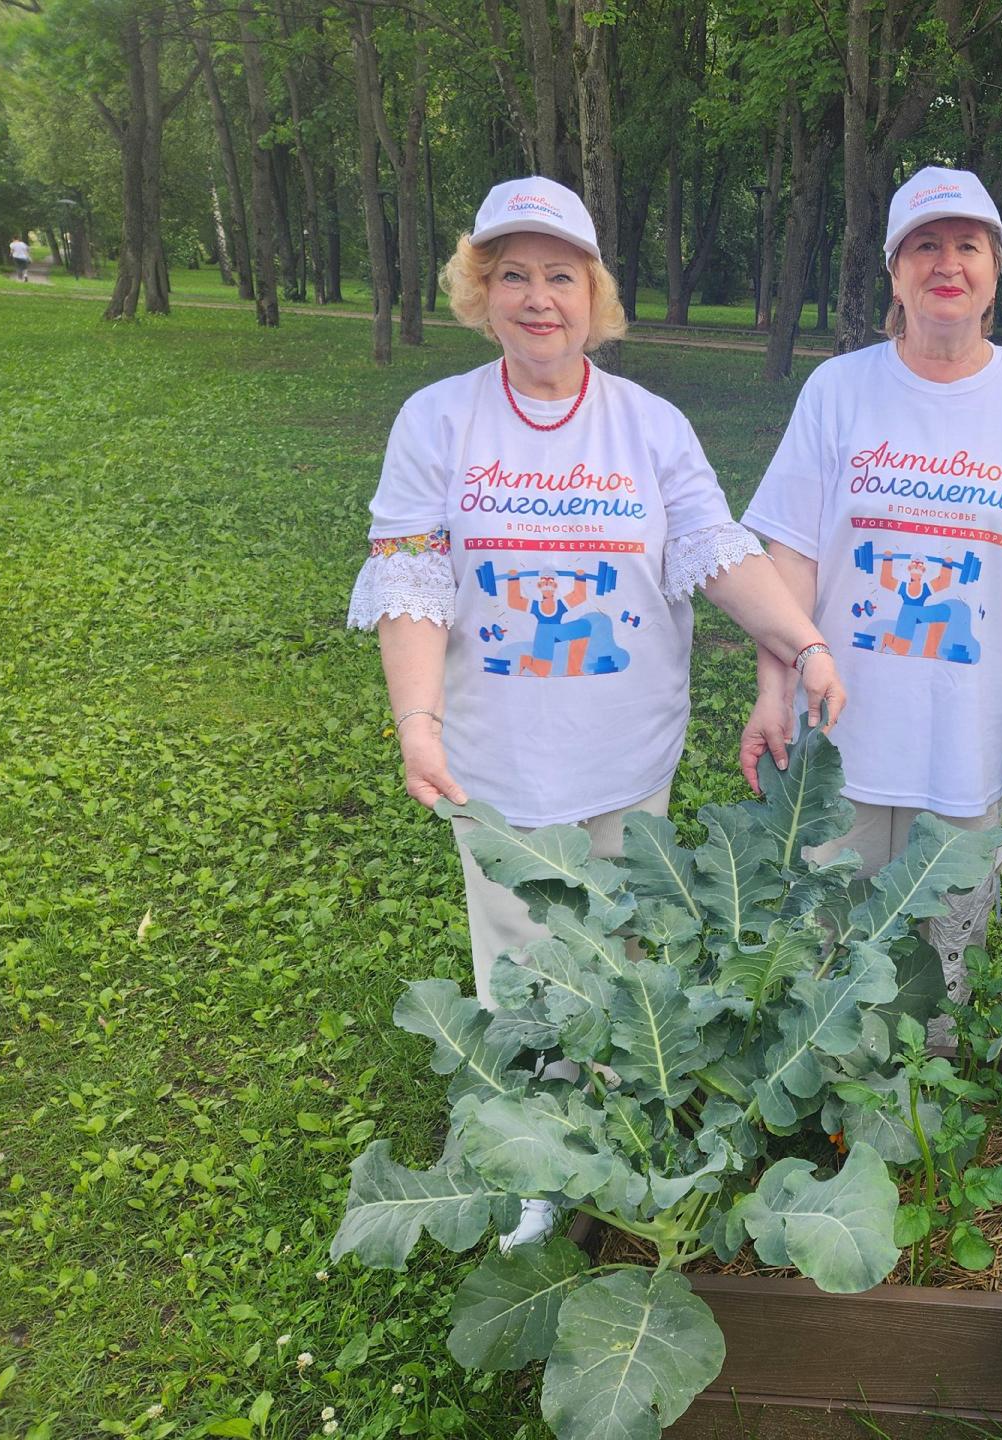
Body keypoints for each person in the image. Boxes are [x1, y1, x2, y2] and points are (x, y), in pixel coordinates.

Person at [346, 176, 845, 1245]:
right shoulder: (436, 420)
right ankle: (536, 1161)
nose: (537, 298)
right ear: (481, 291)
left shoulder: (649, 427)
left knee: (624, 950)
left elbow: (719, 553)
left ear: (594, 293)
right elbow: (412, 581)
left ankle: (616, 1132)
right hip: (497, 755)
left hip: (627, 749)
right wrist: (417, 724)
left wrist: (801, 640)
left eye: (559, 276)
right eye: (512, 275)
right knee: (520, 956)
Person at [741, 166, 1002, 999]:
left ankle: (927, 1096)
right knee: (829, 956)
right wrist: (771, 689)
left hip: (966, 737)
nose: (947, 263)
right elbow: (789, 555)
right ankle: (833, 1106)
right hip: (841, 729)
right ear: (894, 270)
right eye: (925, 245)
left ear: (995, 269)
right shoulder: (838, 390)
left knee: (940, 974)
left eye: (968, 245)